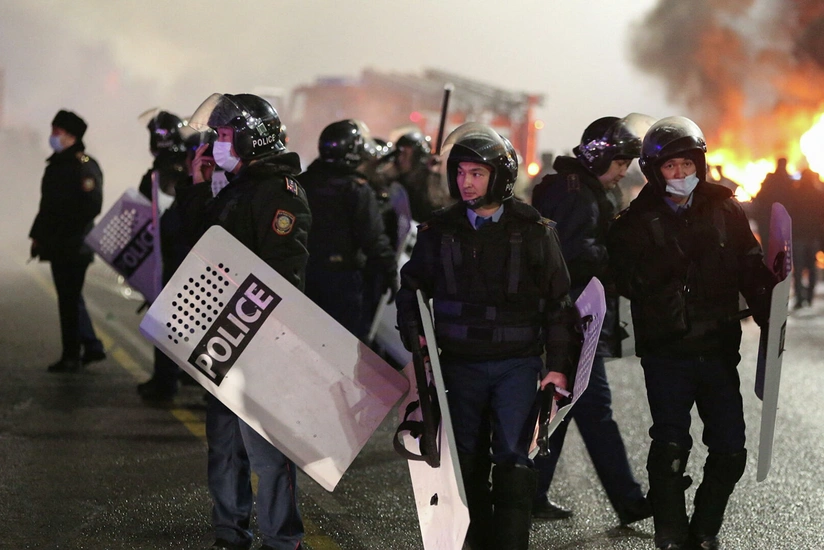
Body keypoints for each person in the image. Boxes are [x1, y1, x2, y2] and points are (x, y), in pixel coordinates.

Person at [396, 122, 578, 550]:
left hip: (517, 363)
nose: (466, 182)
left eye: (476, 173)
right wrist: (417, 339)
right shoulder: (439, 230)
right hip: (458, 364)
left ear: (500, 176)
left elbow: (559, 304)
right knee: (466, 465)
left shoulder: (535, 231)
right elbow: (412, 289)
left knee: (514, 462)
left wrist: (557, 368)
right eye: (460, 173)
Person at [607, 116, 778, 550]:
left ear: (699, 164)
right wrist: (667, 263)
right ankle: (670, 532)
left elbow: (749, 264)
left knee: (731, 450)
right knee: (669, 447)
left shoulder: (725, 209)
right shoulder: (634, 221)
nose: (680, 175)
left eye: (687, 165)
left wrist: (768, 304)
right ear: (653, 171)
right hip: (666, 351)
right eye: (670, 167)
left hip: (718, 348)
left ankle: (704, 528)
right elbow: (623, 279)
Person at [177, 93, 310, 550]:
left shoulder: (278, 191)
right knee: (224, 444)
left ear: (253, 139)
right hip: (224, 337)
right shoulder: (234, 187)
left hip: (260, 339)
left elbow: (282, 270)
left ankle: (280, 539)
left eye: (227, 136)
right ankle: (230, 531)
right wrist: (196, 186)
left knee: (266, 452)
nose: (218, 145)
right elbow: (190, 246)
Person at [529, 115, 653, 525]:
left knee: (564, 406)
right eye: (619, 163)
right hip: (573, 321)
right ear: (600, 156)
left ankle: (530, 493)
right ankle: (630, 502)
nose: (623, 172)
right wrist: (617, 255)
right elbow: (572, 256)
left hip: (572, 319)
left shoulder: (575, 190)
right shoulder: (576, 195)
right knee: (594, 409)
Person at [296, 119, 396, 340]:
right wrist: (390, 272)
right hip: (340, 284)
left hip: (301, 275)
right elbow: (374, 239)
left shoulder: (302, 182)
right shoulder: (357, 190)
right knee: (338, 346)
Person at [29, 109, 106, 373]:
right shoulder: (58, 164)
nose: (52, 137)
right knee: (70, 298)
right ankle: (89, 346)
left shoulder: (82, 165)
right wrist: (39, 235)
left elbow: (91, 206)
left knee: (69, 301)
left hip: (74, 245)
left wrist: (63, 231)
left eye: (56, 132)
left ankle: (72, 355)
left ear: (71, 135)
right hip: (60, 244)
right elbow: (47, 206)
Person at [134, 109, 191, 401]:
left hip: (169, 257)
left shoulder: (160, 174)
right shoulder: (191, 167)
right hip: (191, 256)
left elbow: (149, 218)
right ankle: (183, 375)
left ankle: (164, 383)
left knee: (165, 321)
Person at [785, 168, 824, 308]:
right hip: (812, 236)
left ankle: (801, 297)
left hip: (798, 236)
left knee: (799, 268)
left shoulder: (795, 194)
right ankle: (810, 296)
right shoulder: (818, 194)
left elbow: (789, 214)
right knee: (812, 267)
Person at [752, 158, 792, 251]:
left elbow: (760, 197)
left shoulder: (771, 179)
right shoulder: (786, 181)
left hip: (768, 218)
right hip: (773, 218)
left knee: (768, 247)